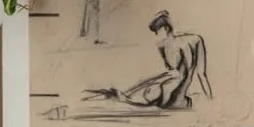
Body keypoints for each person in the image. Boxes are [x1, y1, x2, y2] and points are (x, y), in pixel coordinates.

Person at [83, 9, 212, 110]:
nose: (157, 36)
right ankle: (120, 94)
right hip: (177, 100)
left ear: (166, 28)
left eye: (157, 31)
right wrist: (210, 99)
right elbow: (201, 74)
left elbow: (169, 75)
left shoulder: (166, 44)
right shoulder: (195, 39)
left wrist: (129, 90)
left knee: (135, 91)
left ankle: (119, 94)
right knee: (140, 89)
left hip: (167, 98)